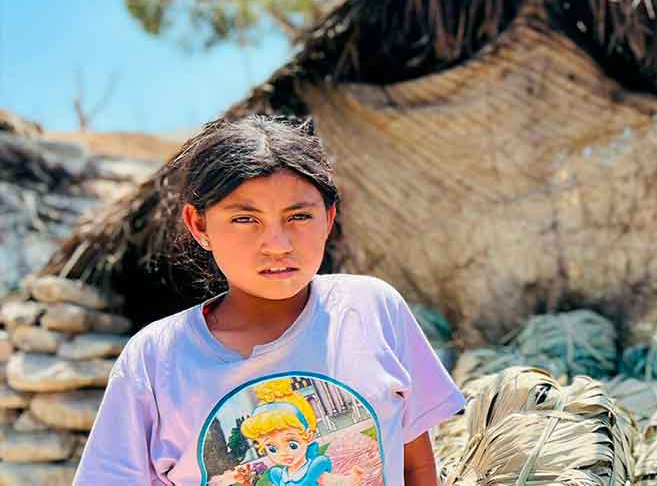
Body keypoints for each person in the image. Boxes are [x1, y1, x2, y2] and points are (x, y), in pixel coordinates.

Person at [73, 115, 465, 486]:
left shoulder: (371, 309)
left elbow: (415, 463)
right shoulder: (156, 358)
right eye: (245, 219)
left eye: (298, 217)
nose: (277, 245)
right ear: (199, 225)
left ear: (328, 219)